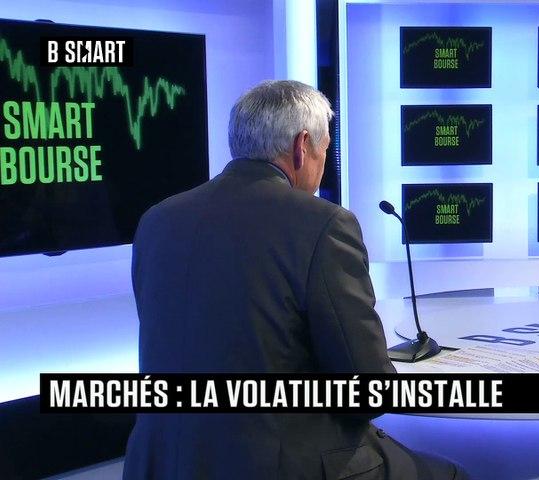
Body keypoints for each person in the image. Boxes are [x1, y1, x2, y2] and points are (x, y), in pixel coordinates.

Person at [123, 80, 466, 480]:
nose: (323, 164)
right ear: (302, 146)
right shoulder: (323, 223)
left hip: (161, 462)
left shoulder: (157, 220)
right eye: (325, 151)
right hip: (279, 466)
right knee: (451, 474)